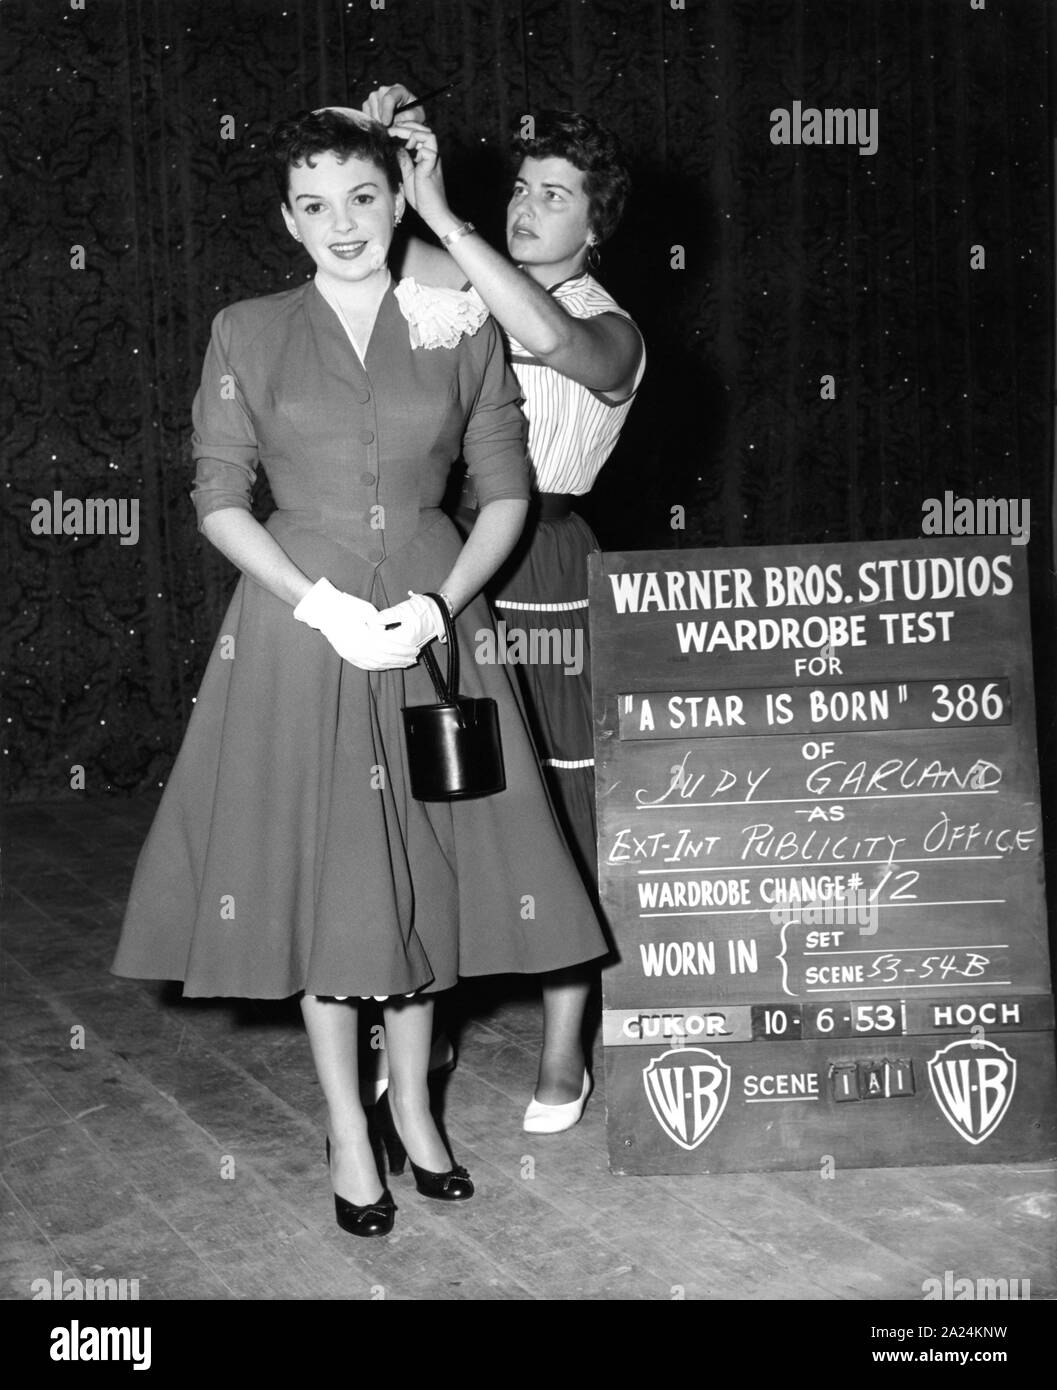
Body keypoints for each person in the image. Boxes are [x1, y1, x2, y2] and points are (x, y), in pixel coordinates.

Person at [111, 107, 608, 1236]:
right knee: (334, 878)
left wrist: (439, 602)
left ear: (398, 201)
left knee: (432, 865)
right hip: (301, 624)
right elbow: (219, 496)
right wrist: (320, 602)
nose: (342, 224)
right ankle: (350, 1129)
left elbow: (508, 489)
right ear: (287, 220)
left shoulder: (455, 323)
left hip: (439, 617)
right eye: (314, 204)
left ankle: (419, 1116)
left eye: (363, 197)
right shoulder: (247, 328)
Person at [360, 87, 644, 1132]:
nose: (530, 207)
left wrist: (450, 218)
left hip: (551, 566)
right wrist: (385, 153)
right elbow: (365, 244)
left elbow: (546, 333)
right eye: (522, 189)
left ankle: (566, 1053)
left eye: (555, 195)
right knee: (445, 799)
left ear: (594, 223)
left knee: (562, 815)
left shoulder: (614, 327)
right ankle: (415, 1047)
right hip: (448, 555)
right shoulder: (458, 280)